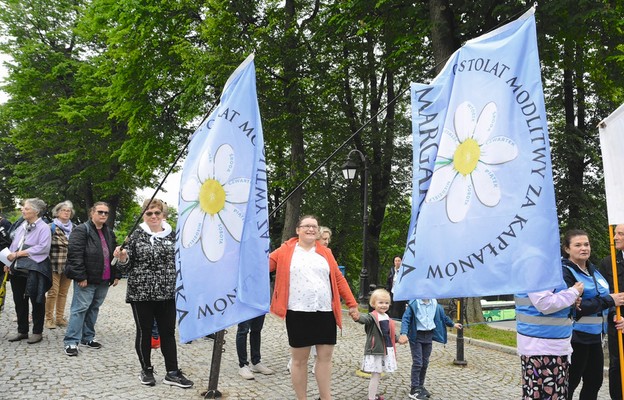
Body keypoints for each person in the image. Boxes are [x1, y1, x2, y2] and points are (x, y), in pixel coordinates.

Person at [269, 215, 359, 400]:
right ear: (298, 230)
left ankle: (325, 397)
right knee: (300, 361)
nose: (311, 229)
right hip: (298, 311)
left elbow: (339, 279)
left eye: (314, 227)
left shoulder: (325, 252)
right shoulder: (285, 251)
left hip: (325, 312)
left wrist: (352, 304)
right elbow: (262, 268)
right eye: (307, 226)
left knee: (325, 359)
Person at [114, 199, 193, 388]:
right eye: (149, 213)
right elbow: (125, 268)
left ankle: (172, 373)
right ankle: (146, 370)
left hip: (167, 292)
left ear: (163, 215)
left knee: (168, 332)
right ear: (144, 215)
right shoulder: (135, 236)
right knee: (144, 332)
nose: (154, 216)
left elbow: (182, 261)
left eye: (157, 212)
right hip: (141, 293)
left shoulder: (173, 235)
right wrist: (123, 258)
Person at [562, 229, 624, 399]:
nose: (584, 248)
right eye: (578, 245)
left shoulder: (594, 270)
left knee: (594, 382)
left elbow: (604, 299)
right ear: (567, 249)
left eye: (586, 244)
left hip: (595, 337)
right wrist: (609, 301)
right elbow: (574, 308)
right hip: (575, 337)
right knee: (570, 384)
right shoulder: (565, 272)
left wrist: (613, 314)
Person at [63, 201, 121, 356]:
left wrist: (116, 274)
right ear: (92, 213)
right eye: (100, 212)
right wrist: (80, 276)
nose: (103, 215)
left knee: (94, 308)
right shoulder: (81, 230)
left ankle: (87, 337)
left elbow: (114, 254)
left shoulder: (109, 232)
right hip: (87, 278)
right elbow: (75, 255)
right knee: (80, 308)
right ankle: (71, 341)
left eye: (106, 213)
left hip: (104, 279)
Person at [515, 281, 584, 399]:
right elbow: (543, 303)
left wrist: (571, 300)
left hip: (552, 346)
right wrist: (573, 292)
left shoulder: (546, 267)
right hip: (542, 349)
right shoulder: (537, 267)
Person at [4, 198, 52, 344]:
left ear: (36, 211)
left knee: (37, 300)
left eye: (26, 208)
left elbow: (43, 247)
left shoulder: (44, 228)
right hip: (18, 269)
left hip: (35, 269)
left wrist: (19, 254)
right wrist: (8, 262)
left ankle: (37, 332)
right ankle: (22, 331)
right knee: (19, 300)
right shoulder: (23, 225)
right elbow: (14, 245)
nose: (22, 210)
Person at [398, 298, 462, 400]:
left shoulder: (435, 303)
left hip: (428, 335)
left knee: (425, 362)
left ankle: (420, 386)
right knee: (418, 362)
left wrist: (453, 324)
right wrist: (403, 333)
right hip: (416, 336)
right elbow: (406, 319)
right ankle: (414, 389)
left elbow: (443, 317)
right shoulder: (414, 304)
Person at [355, 288, 398, 400]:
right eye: (381, 302)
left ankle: (373, 396)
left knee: (377, 374)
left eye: (386, 303)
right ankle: (371, 397)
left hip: (384, 349)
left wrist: (398, 339)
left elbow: (388, 333)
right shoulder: (373, 316)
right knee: (376, 374)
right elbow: (365, 319)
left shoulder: (387, 317)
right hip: (376, 350)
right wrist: (358, 317)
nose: (384, 305)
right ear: (373, 304)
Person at [599, 224, 624, 400]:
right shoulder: (609, 263)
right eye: (615, 233)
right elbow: (603, 296)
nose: (615, 237)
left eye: (620, 234)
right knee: (617, 366)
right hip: (617, 325)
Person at [45, 200, 75, 329]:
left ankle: (59, 318)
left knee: (63, 293)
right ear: (57, 212)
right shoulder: (50, 227)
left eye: (68, 211)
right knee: (53, 292)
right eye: (64, 210)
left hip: (69, 267)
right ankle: (48, 319)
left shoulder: (74, 228)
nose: (66, 213)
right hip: (53, 265)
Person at [237, 314, 274, 380]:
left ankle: (256, 362)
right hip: (245, 306)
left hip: (260, 304)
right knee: (243, 331)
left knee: (256, 330)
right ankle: (243, 365)